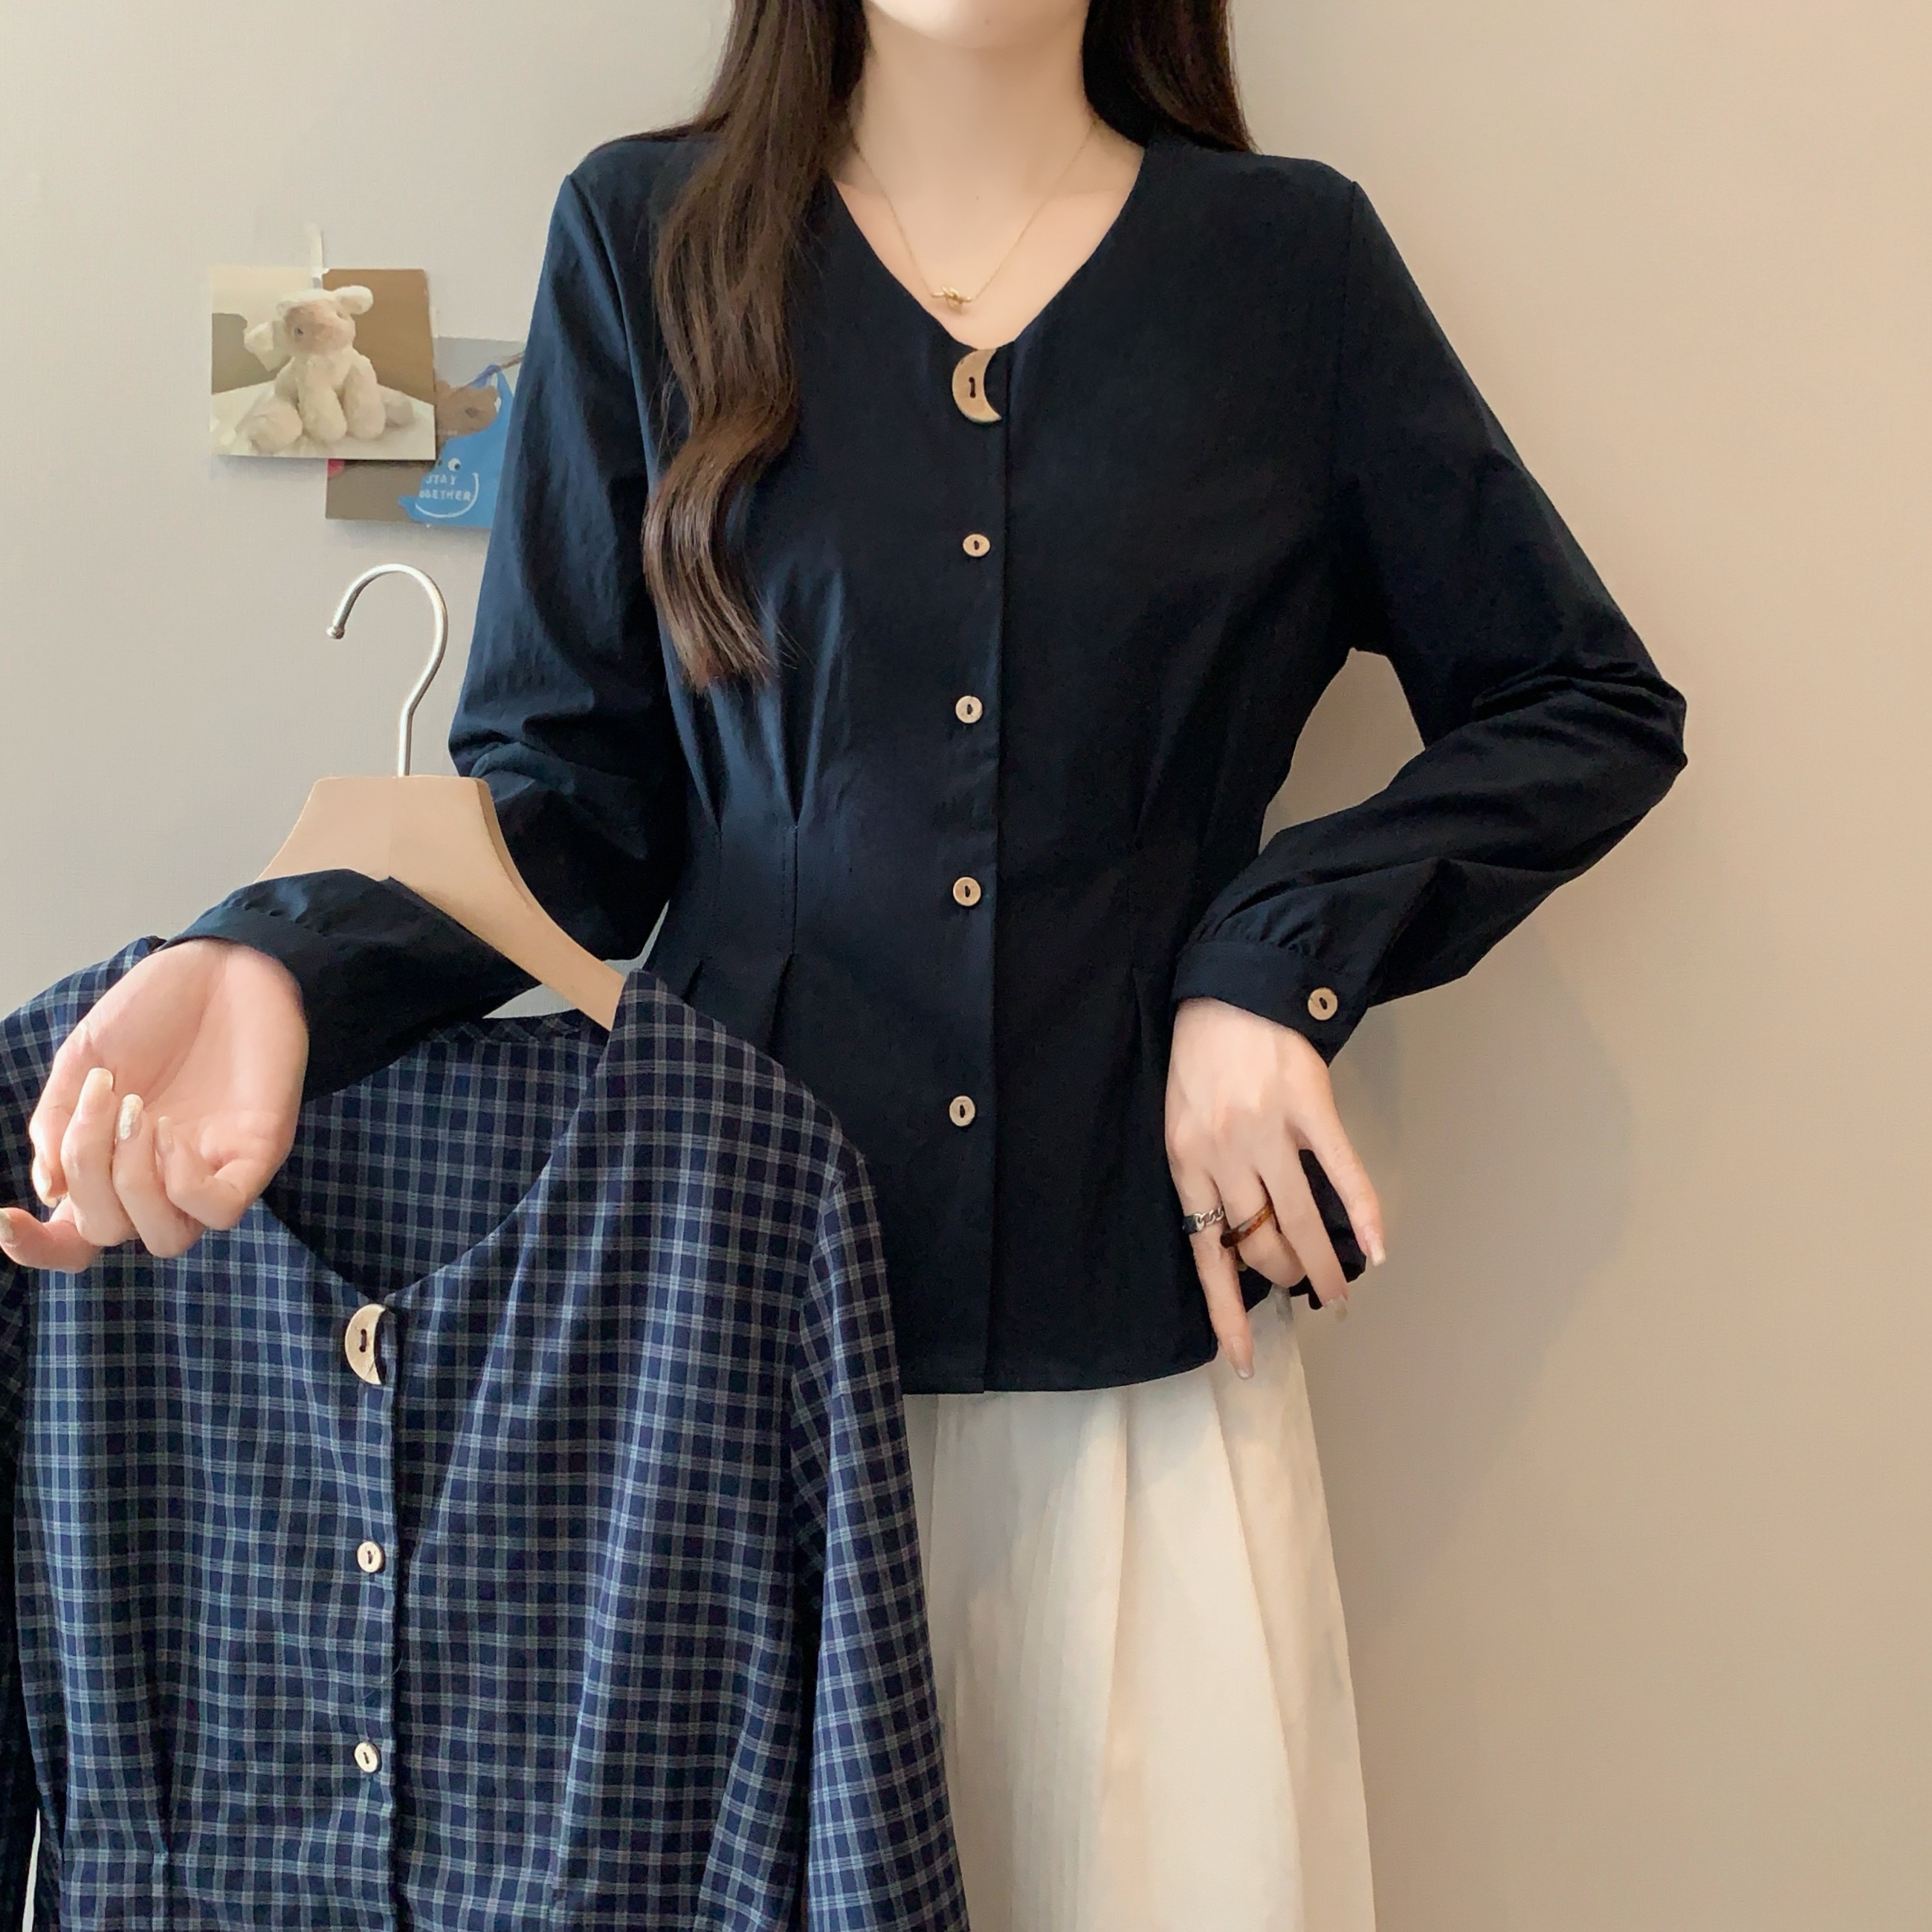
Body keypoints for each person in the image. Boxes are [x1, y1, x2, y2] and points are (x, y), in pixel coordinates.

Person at [0, 1, 1687, 1925]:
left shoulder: (1288, 271)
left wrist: (1271, 963)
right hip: (708, 1397)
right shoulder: (643, 239)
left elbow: (1581, 701)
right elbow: (567, 804)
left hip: (1123, 1397)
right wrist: (285, 966)